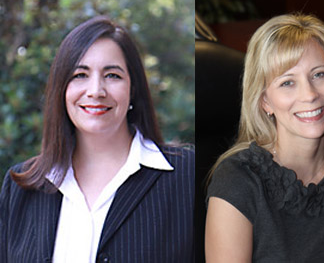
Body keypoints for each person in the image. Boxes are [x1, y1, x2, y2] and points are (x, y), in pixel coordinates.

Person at [0, 16, 194, 262]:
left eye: (112, 75)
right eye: (80, 75)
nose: (95, 91)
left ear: (133, 88)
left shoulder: (187, 176)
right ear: (62, 89)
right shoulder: (21, 188)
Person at [205, 14, 324, 262]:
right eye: (287, 82)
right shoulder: (237, 183)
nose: (309, 94)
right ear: (265, 101)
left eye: (319, 74)